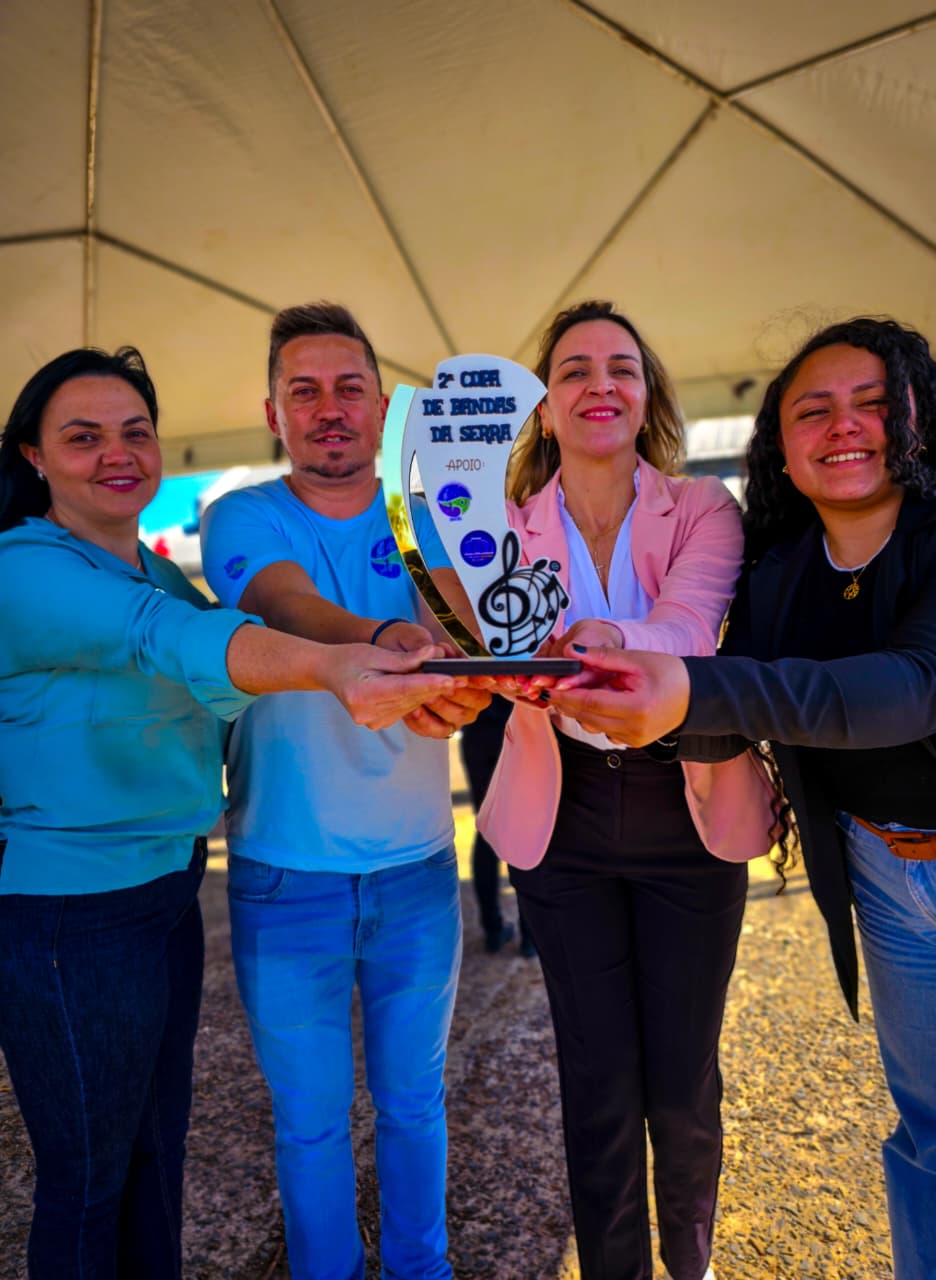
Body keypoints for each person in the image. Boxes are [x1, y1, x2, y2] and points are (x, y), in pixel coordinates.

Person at [0, 346, 460, 1280]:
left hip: (168, 894)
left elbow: (197, 655)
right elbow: (178, 637)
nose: (117, 453)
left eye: (135, 432)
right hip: (67, 914)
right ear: (33, 457)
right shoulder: (23, 566)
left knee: (153, 1158)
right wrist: (337, 661)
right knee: (87, 1180)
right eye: (83, 437)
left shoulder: (160, 577)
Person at [546, 317, 936, 1280]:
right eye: (813, 411)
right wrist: (604, 692)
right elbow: (727, 701)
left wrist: (681, 685)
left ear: (920, 417)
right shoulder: (781, 569)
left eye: (871, 403)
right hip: (884, 874)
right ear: (780, 443)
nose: (842, 426)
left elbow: (917, 686)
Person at [474, 300, 775, 1280]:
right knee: (596, 1082)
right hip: (562, 819)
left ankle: (691, 1263)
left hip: (685, 809)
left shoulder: (705, 509)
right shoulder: (496, 530)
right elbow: (491, 647)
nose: (598, 384)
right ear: (545, 408)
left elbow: (688, 626)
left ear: (647, 397)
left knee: (683, 1083)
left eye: (621, 368)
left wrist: (607, 641)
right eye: (574, 370)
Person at [200, 302, 489, 1280]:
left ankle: (422, 1269)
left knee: (414, 1104)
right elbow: (283, 602)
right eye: (305, 390)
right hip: (285, 877)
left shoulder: (428, 512)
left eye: (349, 387)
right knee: (311, 1122)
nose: (329, 408)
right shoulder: (241, 513)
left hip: (417, 871)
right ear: (273, 412)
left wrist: (459, 673)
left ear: (381, 405)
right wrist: (379, 640)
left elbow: (459, 626)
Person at [458, 696, 536, 955]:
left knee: (486, 831)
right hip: (520, 729)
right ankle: (529, 936)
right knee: (525, 834)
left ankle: (492, 929)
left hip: (478, 730)